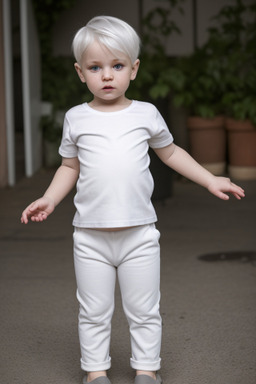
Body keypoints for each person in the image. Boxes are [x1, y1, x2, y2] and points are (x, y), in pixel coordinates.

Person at [21, 15, 245, 384]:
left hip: (139, 234)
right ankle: (95, 373)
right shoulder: (76, 118)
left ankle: (146, 370)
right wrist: (49, 198)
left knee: (144, 309)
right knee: (93, 310)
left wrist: (209, 179)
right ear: (81, 72)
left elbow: (171, 154)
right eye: (96, 67)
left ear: (134, 69)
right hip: (90, 237)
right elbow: (69, 167)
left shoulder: (146, 113)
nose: (107, 75)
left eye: (117, 65)